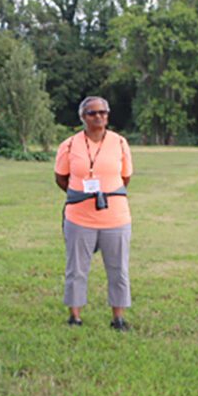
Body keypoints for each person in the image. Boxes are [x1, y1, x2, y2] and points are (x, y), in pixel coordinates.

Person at [54, 96, 134, 330]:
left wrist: (107, 194)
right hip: (79, 217)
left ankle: (118, 318)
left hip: (115, 217)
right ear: (82, 117)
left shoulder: (120, 142)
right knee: (76, 268)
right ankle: (75, 316)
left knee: (118, 269)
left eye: (103, 112)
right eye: (92, 113)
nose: (98, 116)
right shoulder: (69, 145)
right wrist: (82, 195)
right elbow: (61, 178)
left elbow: (125, 177)